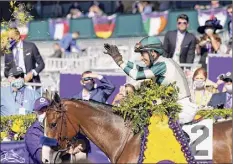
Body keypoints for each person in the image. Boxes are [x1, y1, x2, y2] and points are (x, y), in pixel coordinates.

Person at [104, 36, 197, 124]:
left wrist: (119, 62)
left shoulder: (162, 65)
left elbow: (136, 75)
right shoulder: (162, 62)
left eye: (142, 54)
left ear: (152, 52)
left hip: (182, 110)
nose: (141, 58)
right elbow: (140, 69)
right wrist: (121, 59)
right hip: (179, 107)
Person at [25, 97, 89, 164]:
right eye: (41, 111)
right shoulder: (32, 133)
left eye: (47, 110)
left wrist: (80, 144)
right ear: (36, 114)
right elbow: (43, 159)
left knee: (81, 154)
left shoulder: (60, 126)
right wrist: (66, 150)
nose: (45, 113)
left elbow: (83, 141)